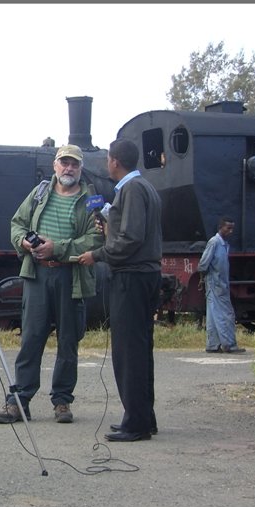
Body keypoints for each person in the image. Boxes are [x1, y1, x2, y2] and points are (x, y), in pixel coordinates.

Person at [0, 144, 104, 426]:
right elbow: (17, 223)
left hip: (71, 276)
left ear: (80, 168)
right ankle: (19, 401)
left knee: (69, 341)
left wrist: (58, 248)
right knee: (31, 339)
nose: (68, 168)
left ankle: (62, 400)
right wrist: (23, 241)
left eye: (74, 164)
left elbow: (96, 240)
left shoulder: (92, 200)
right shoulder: (39, 193)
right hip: (38, 276)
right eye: (64, 163)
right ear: (55, 165)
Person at [78, 138, 162, 442]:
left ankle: (136, 423)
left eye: (108, 159)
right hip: (142, 275)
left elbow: (131, 238)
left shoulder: (132, 189)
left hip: (132, 277)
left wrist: (98, 254)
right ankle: (143, 417)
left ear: (114, 161)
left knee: (129, 351)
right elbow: (129, 233)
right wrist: (109, 227)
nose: (105, 164)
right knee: (138, 349)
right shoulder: (143, 187)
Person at [198, 216, 245, 354]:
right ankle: (229, 344)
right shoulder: (215, 242)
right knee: (226, 314)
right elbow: (203, 263)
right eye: (228, 228)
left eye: (232, 229)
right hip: (216, 283)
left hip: (218, 283)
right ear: (221, 227)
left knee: (213, 314)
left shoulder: (224, 244)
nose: (230, 231)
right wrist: (203, 279)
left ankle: (212, 345)